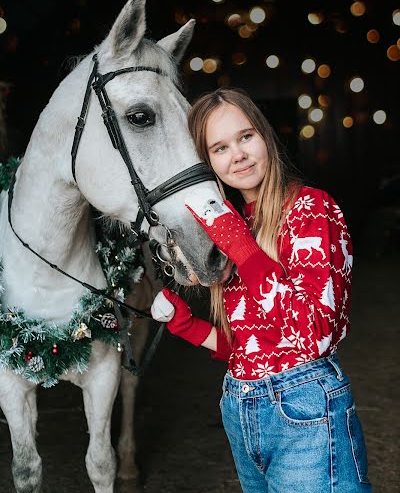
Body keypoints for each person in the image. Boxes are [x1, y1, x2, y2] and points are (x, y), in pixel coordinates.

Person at [151, 87, 371, 492]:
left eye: (246, 136)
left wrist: (242, 247)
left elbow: (313, 333)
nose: (237, 154)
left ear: (266, 137)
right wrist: (190, 327)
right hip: (240, 408)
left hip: (305, 409)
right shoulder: (237, 223)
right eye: (219, 148)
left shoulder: (311, 209)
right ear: (207, 163)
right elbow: (253, 346)